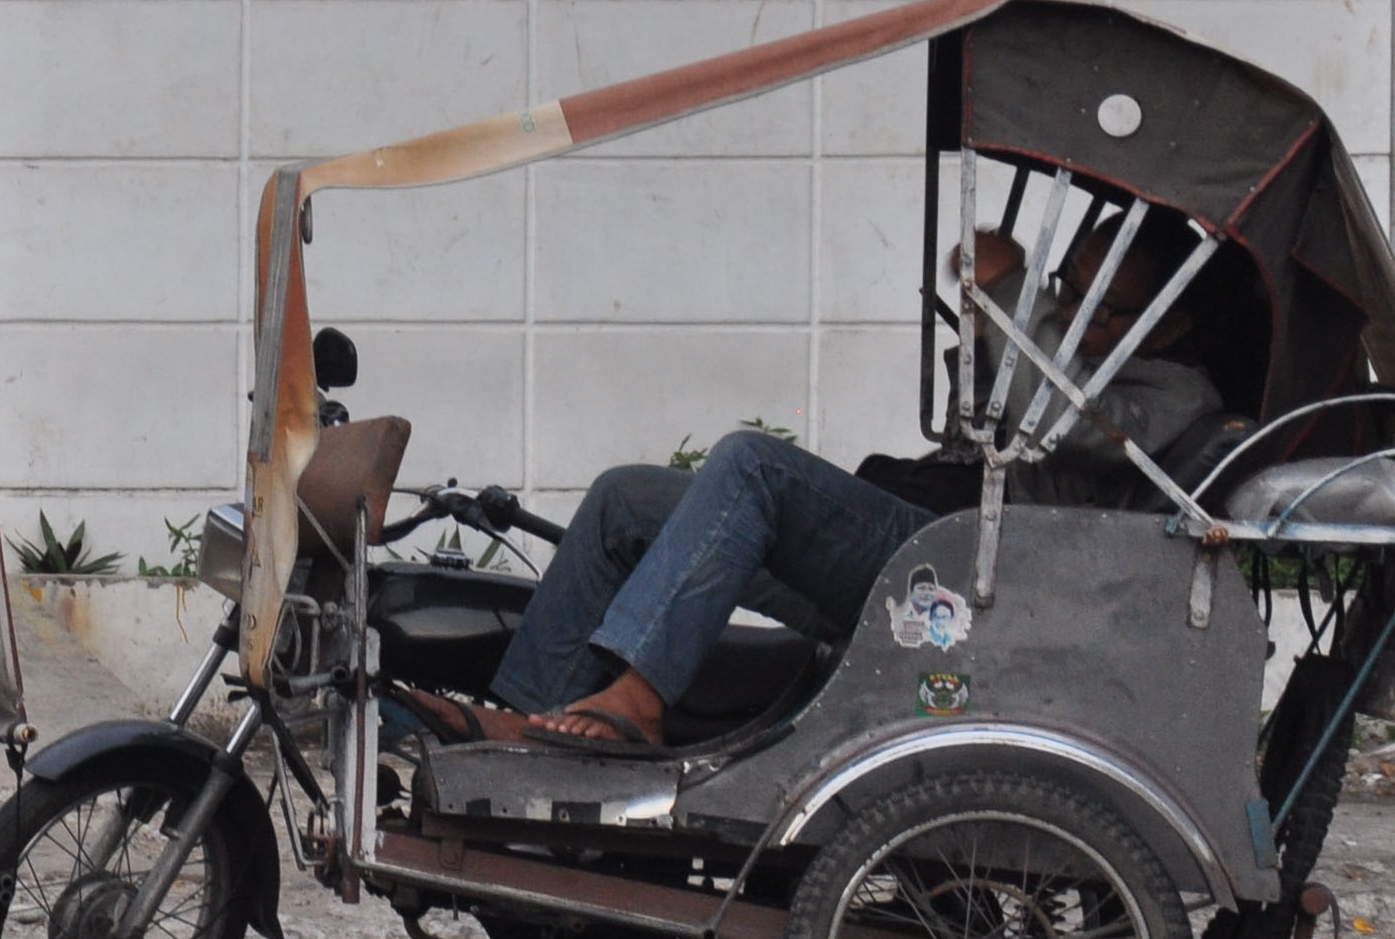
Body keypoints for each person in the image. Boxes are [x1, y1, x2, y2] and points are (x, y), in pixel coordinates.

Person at [407, 213, 1228, 757]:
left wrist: (1013, 297)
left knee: (753, 465)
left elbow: (1066, 423)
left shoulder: (1178, 392)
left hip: (975, 579)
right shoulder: (1084, 355)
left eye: (1102, 305)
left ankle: (640, 699)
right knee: (627, 499)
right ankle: (525, 723)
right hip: (935, 533)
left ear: (1176, 323)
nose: (1073, 314)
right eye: (1066, 292)